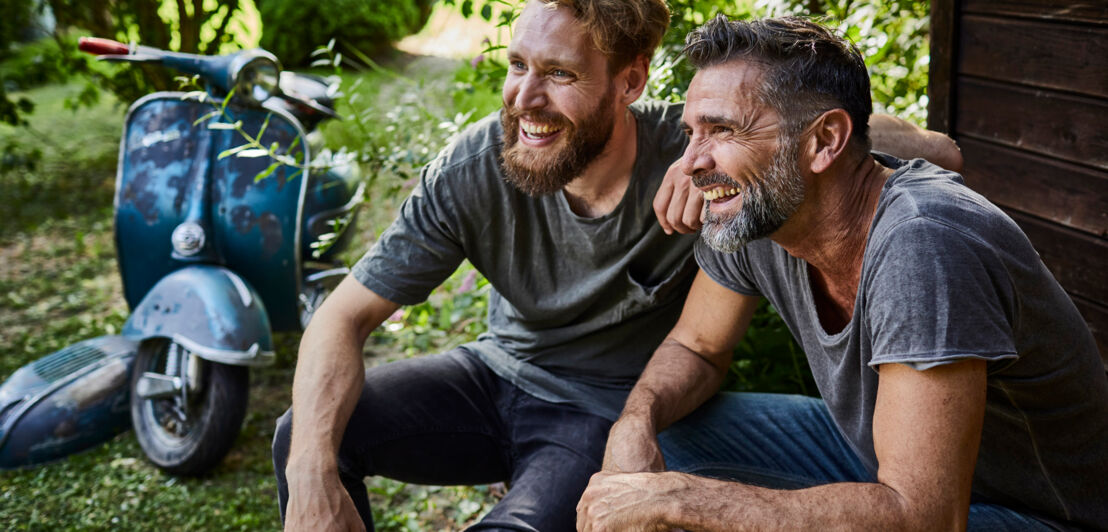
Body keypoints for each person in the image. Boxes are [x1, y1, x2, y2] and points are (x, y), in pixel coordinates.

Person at [273, 2, 962, 530]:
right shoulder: (475, 165)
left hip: (598, 410)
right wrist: (310, 475)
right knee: (305, 435)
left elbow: (943, 152)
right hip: (494, 374)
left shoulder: (701, 151)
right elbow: (342, 316)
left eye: (559, 74)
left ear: (629, 80)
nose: (523, 98)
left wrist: (754, 155)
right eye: (518, 66)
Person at [577, 15, 1108, 532]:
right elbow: (696, 346)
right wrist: (635, 423)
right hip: (880, 463)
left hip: (1037, 513)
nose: (691, 163)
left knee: (677, 496)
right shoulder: (758, 210)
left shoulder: (923, 242)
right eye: (691, 133)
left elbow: (924, 518)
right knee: (665, 441)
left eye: (723, 130)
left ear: (825, 140)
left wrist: (680, 500)